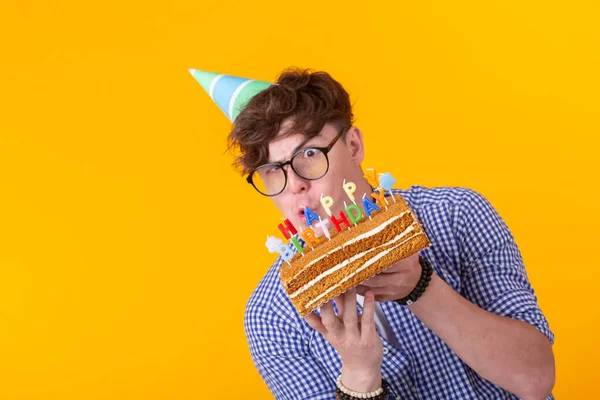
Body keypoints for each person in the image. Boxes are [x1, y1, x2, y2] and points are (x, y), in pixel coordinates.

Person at [198, 67, 556, 399]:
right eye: (273, 170)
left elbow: (535, 379)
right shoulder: (272, 315)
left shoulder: (455, 214)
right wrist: (358, 373)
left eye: (308, 153)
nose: (295, 185)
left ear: (353, 146)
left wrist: (421, 287)